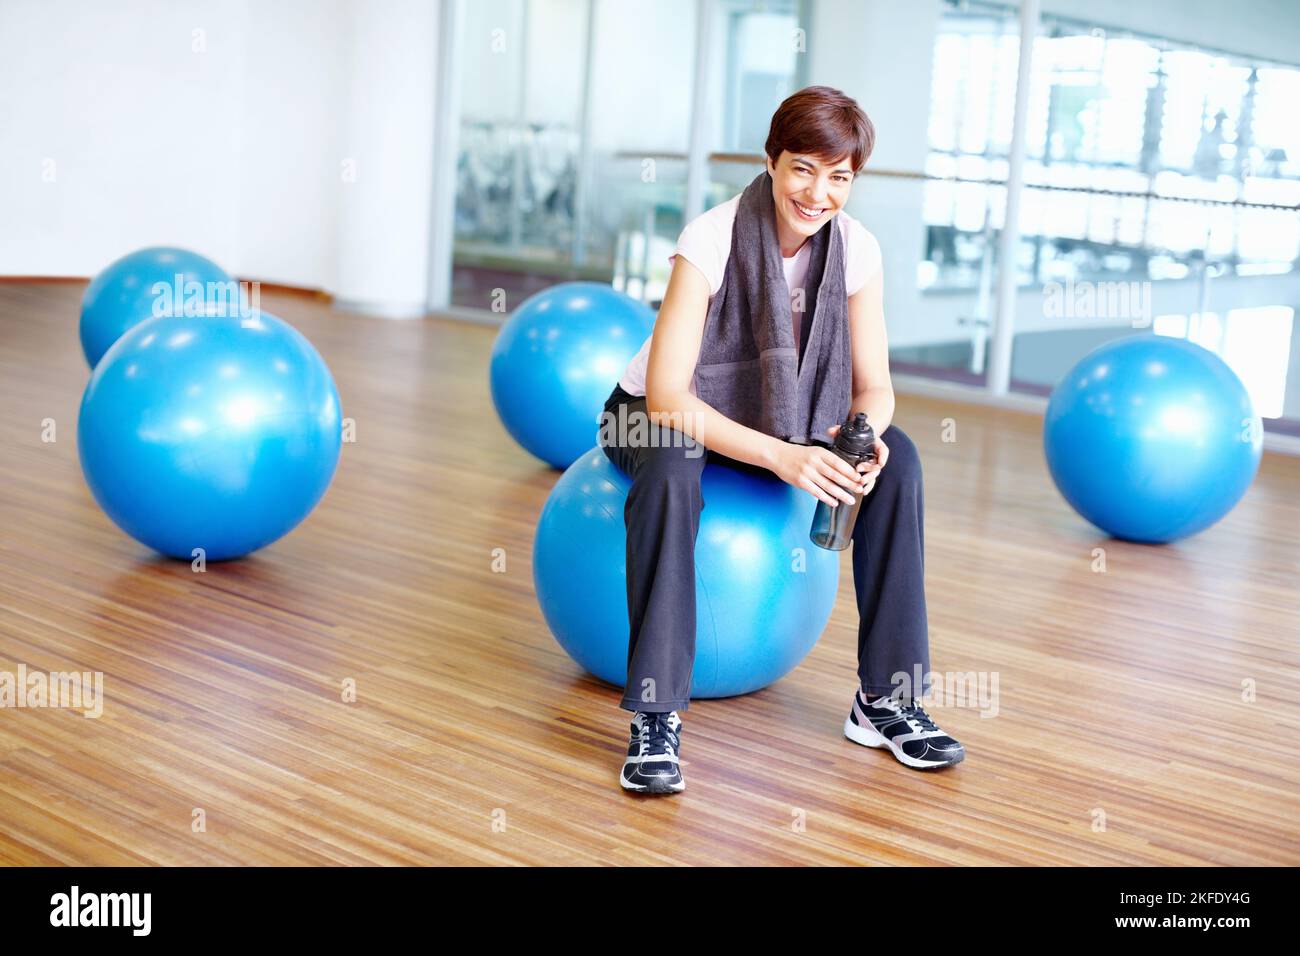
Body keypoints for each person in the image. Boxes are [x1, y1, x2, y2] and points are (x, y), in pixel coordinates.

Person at [599, 86, 965, 795]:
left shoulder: (857, 250)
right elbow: (671, 396)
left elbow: (875, 386)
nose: (818, 192)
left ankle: (886, 699)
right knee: (675, 463)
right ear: (772, 161)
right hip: (645, 414)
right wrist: (784, 456)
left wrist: (866, 436)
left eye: (839, 176)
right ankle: (656, 713)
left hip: (786, 420)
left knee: (903, 462)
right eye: (803, 168)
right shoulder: (710, 237)